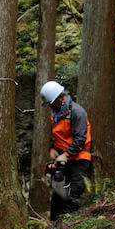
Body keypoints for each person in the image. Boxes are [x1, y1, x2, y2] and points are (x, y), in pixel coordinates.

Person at [40, 80, 93, 219]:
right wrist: (52, 149)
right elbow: (54, 135)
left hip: (79, 158)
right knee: (58, 194)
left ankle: (71, 224)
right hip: (64, 159)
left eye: (51, 103)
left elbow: (81, 138)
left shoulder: (77, 112)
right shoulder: (55, 114)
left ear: (60, 98)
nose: (50, 106)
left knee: (74, 193)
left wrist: (67, 154)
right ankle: (53, 222)